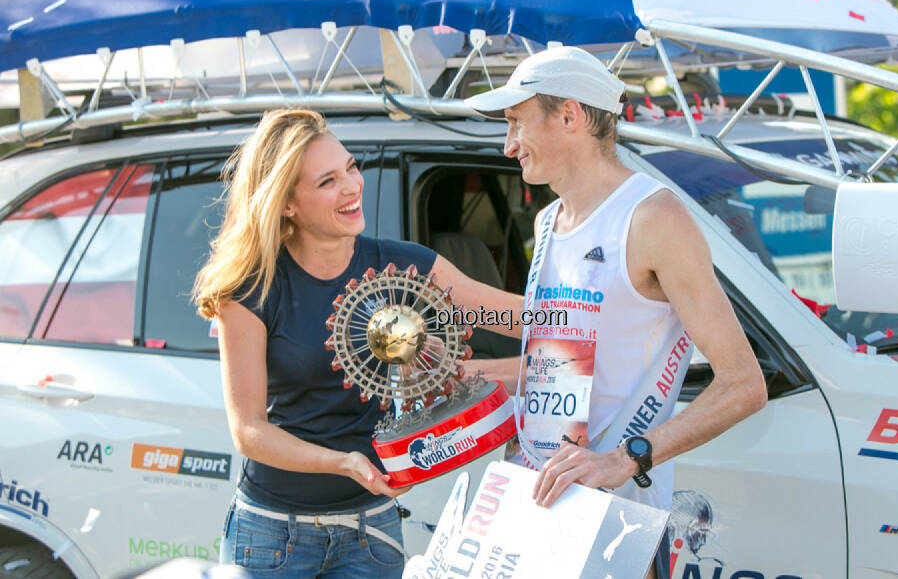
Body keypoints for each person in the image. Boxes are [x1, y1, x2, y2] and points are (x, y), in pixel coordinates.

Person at [463, 47, 768, 579]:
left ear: (570, 115)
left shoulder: (654, 217)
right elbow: (565, 362)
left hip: (616, 529)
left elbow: (744, 384)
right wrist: (464, 377)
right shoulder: (549, 220)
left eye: (516, 122)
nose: (508, 145)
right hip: (537, 510)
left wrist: (622, 460)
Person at [193, 109, 520, 578]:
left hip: (372, 531)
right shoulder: (251, 291)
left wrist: (615, 303)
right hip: (272, 535)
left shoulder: (404, 268)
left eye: (350, 167)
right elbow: (249, 432)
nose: (351, 186)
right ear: (287, 203)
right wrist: (342, 463)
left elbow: (515, 317)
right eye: (328, 181)